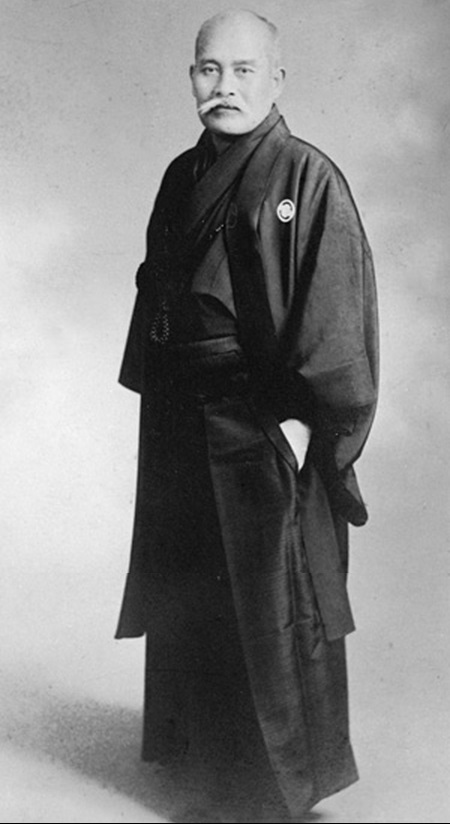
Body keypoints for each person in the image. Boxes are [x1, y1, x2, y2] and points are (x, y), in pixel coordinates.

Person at [115, 9, 378, 823]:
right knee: (193, 587)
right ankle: (203, 769)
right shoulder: (181, 174)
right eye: (208, 69)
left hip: (263, 418)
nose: (223, 86)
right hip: (183, 413)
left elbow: (333, 319)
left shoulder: (307, 176)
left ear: (276, 80)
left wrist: (306, 425)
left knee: (271, 598)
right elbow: (158, 291)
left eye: (242, 70)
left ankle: (274, 789)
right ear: (192, 77)